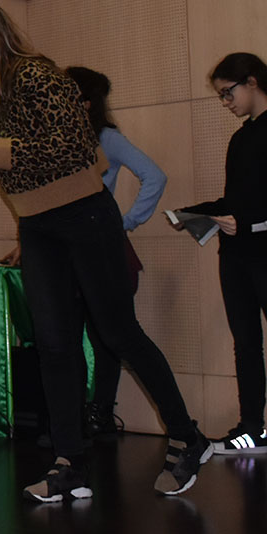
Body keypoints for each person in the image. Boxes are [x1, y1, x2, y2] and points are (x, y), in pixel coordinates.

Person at [0, 0, 209, 500]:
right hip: (38, 225)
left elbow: (76, 147)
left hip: (86, 216)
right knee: (54, 343)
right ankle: (70, 462)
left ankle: (187, 435)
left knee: (118, 332)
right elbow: (23, 164)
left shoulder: (38, 75)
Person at [173, 53, 267, 462]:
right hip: (234, 254)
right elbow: (235, 201)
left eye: (227, 92)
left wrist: (251, 226)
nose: (226, 102)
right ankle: (251, 430)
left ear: (252, 82)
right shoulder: (241, 137)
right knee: (245, 343)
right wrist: (199, 212)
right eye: (221, 96)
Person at [65, 66, 167, 439]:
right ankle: (73, 416)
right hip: (67, 249)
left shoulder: (106, 137)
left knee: (107, 336)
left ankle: (101, 414)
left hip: (102, 247)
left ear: (86, 102)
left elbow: (154, 176)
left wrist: (125, 222)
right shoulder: (56, 139)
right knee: (67, 336)